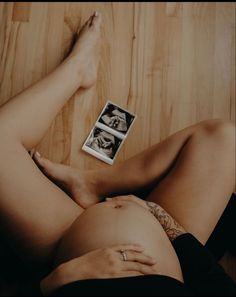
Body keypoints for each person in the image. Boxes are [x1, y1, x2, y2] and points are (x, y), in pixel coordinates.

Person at [0, 11, 235, 296]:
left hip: (68, 249)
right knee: (223, 137)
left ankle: (77, 68)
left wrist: (57, 280)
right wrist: (161, 219)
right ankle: (92, 183)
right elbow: (216, 285)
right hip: (165, 241)